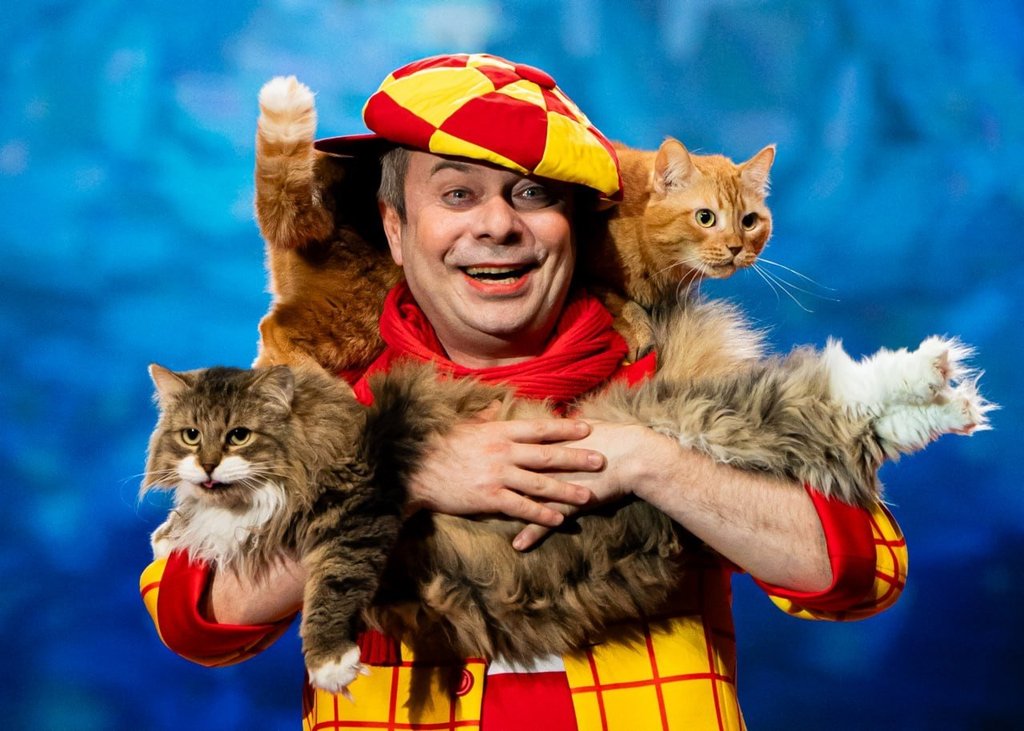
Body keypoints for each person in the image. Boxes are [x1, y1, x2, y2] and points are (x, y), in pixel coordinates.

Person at [140, 53, 907, 730]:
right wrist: (401, 477)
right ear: (397, 229)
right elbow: (195, 612)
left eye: (533, 194)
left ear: (574, 225)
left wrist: (652, 459)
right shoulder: (324, 399)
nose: (498, 226)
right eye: (457, 194)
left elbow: (861, 569)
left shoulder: (682, 371)